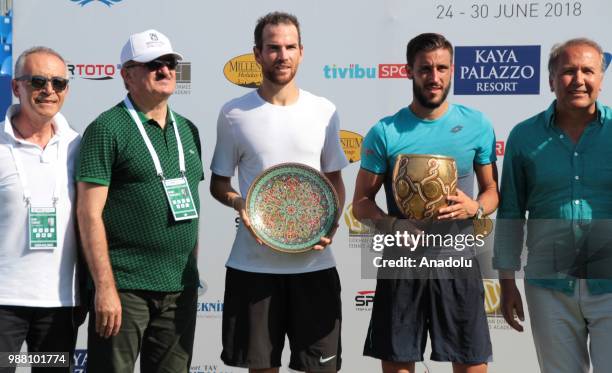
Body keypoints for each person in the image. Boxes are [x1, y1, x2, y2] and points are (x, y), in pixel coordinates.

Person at [210, 12, 348, 373]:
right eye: (273, 48)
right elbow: (218, 183)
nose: (282, 55)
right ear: (257, 54)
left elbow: (334, 181)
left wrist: (330, 226)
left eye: (289, 47)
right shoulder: (233, 113)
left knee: (319, 369)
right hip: (252, 267)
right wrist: (240, 203)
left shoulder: (324, 110)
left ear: (302, 52)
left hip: (314, 266)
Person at [353, 33, 499, 373]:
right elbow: (361, 202)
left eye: (442, 68)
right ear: (409, 71)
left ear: (452, 71)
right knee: (399, 364)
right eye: (425, 69)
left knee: (471, 363)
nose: (434, 77)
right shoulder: (385, 131)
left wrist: (474, 207)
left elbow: (492, 191)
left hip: (458, 259)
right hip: (401, 263)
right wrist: (393, 224)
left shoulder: (477, 125)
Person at [76, 29, 203, 373]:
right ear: (127, 75)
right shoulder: (107, 127)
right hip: (125, 289)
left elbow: (192, 209)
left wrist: (191, 270)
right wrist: (104, 288)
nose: (164, 70)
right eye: (152, 65)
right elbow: (88, 215)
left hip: (180, 288)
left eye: (170, 63)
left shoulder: (189, 130)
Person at [494, 38, 612, 373]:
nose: (579, 79)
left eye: (588, 71)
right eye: (568, 71)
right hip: (549, 287)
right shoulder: (523, 136)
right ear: (550, 80)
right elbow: (511, 212)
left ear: (601, 79)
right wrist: (506, 281)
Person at [0, 46, 80, 373]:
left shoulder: (80, 145)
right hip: (3, 304)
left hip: (59, 305)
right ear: (16, 87)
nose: (49, 90)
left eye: (58, 83)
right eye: (38, 81)